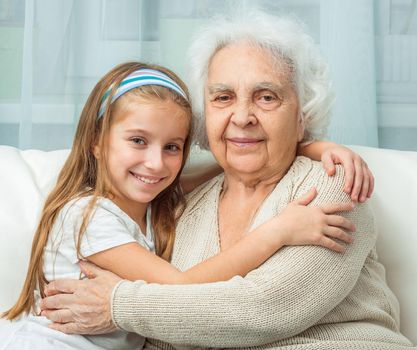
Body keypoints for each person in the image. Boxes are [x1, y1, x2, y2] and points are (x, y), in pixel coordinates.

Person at [37, 9, 416, 350]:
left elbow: (264, 309)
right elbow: (166, 329)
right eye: (223, 98)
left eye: (266, 97)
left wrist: (116, 304)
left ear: (303, 115)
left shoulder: (333, 184)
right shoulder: (178, 203)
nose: (243, 116)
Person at [0, 59, 362, 350]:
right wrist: (278, 230)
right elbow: (182, 286)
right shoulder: (87, 216)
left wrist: (312, 146)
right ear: (96, 141)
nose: (156, 163)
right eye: (138, 140)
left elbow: (233, 157)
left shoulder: (157, 199)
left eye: (172, 147)